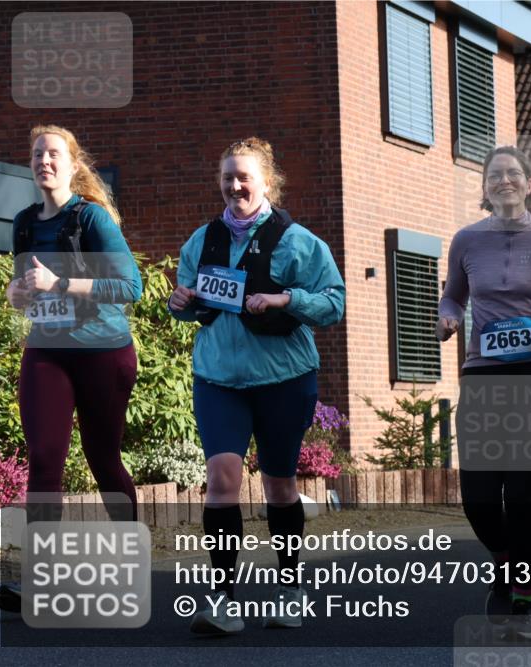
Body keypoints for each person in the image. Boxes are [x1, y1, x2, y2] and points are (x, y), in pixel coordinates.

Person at [168, 137, 345, 635]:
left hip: (284, 379)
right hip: (218, 379)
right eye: (227, 177)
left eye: (244, 176)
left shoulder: (300, 242)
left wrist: (287, 299)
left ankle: (290, 589)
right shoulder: (201, 241)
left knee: (279, 484)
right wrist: (180, 303)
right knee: (222, 481)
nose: (235, 185)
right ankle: (223, 600)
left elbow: (333, 303)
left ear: (267, 181)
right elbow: (189, 302)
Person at [437, 145, 531, 641]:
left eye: (513, 174)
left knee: (522, 499)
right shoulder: (465, 241)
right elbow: (453, 294)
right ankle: (505, 561)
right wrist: (449, 317)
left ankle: (523, 605)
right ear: (485, 188)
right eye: (494, 175)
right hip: (484, 377)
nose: (504, 180)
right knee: (479, 500)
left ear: (528, 186)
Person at [0, 125, 143, 612]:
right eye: (37, 154)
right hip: (47, 351)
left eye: (54, 153)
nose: (44, 161)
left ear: (73, 164)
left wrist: (62, 284)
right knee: (45, 457)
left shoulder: (92, 219)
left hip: (103, 351)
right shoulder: (22, 223)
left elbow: (130, 288)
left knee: (103, 459)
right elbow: (23, 292)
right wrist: (15, 294)